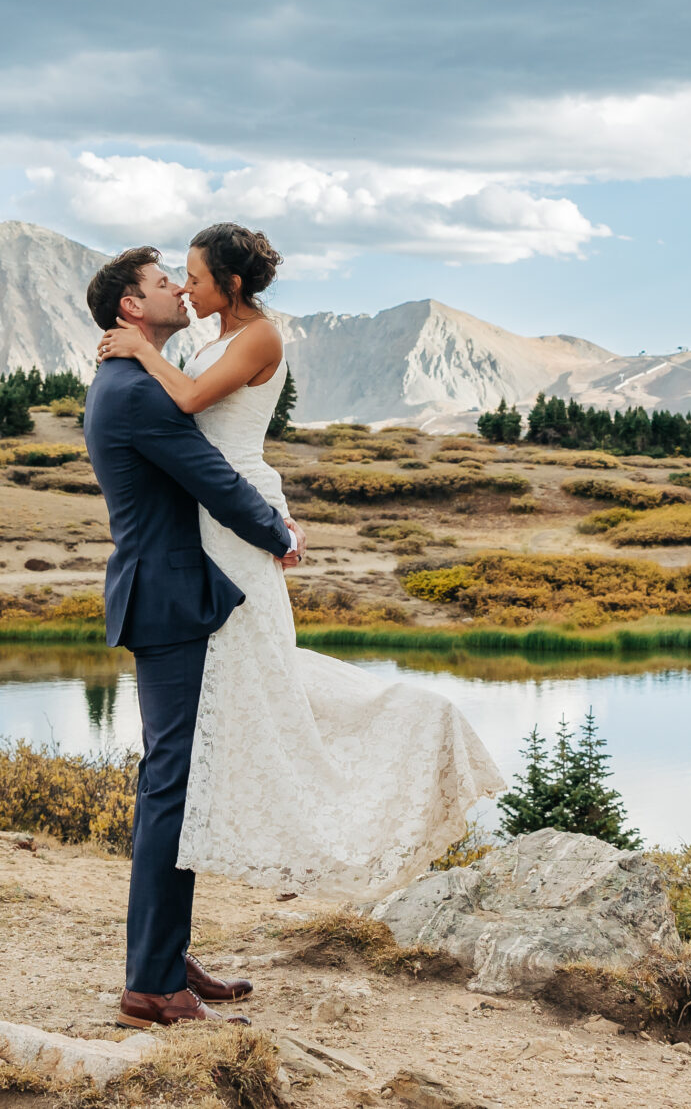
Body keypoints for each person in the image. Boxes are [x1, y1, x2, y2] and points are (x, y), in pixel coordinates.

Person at [94, 225, 505, 920]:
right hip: (209, 530)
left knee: (247, 692)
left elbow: (192, 404)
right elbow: (185, 426)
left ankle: (391, 756)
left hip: (234, 521)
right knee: (212, 726)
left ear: (229, 282)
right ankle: (168, 947)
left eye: (192, 277)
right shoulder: (201, 340)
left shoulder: (260, 336)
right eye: (175, 280)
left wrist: (271, 524)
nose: (185, 288)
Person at [84, 244, 302, 1029]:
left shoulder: (131, 377)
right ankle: (150, 983)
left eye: (185, 274)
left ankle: (167, 957)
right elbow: (210, 475)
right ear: (132, 309)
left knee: (175, 778)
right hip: (171, 599)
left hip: (168, 593)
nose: (178, 287)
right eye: (161, 281)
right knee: (172, 782)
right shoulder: (139, 392)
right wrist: (276, 530)